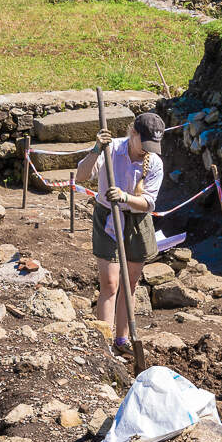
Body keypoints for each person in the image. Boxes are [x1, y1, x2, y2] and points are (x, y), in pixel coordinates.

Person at [75, 112, 165, 355]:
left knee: (130, 284)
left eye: (152, 146)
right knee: (111, 283)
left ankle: (122, 339)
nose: (148, 150)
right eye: (144, 143)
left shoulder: (154, 162)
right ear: (132, 132)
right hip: (108, 218)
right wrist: (95, 149)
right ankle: (103, 343)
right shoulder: (111, 149)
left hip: (137, 221)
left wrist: (125, 197)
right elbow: (80, 177)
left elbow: (148, 203)